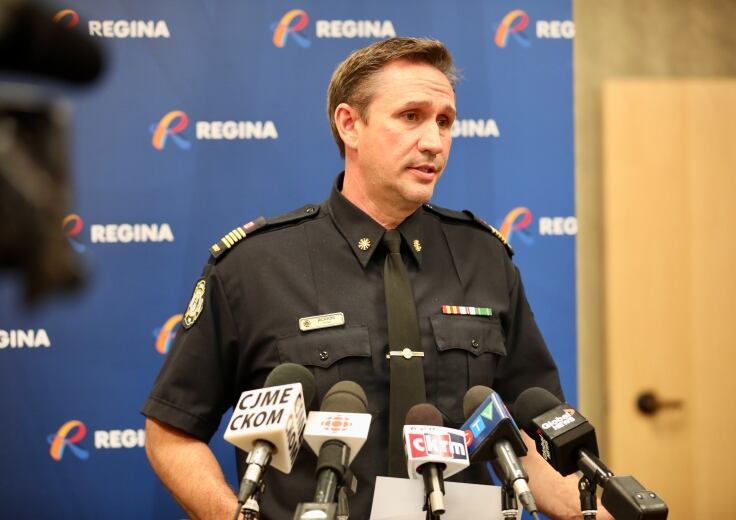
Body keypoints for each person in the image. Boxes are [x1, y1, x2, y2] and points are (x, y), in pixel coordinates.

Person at [142, 37, 612, 520]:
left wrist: (595, 510)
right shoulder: (254, 266)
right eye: (411, 116)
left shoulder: (485, 258)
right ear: (350, 124)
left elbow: (531, 438)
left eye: (445, 121)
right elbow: (172, 430)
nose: (434, 140)